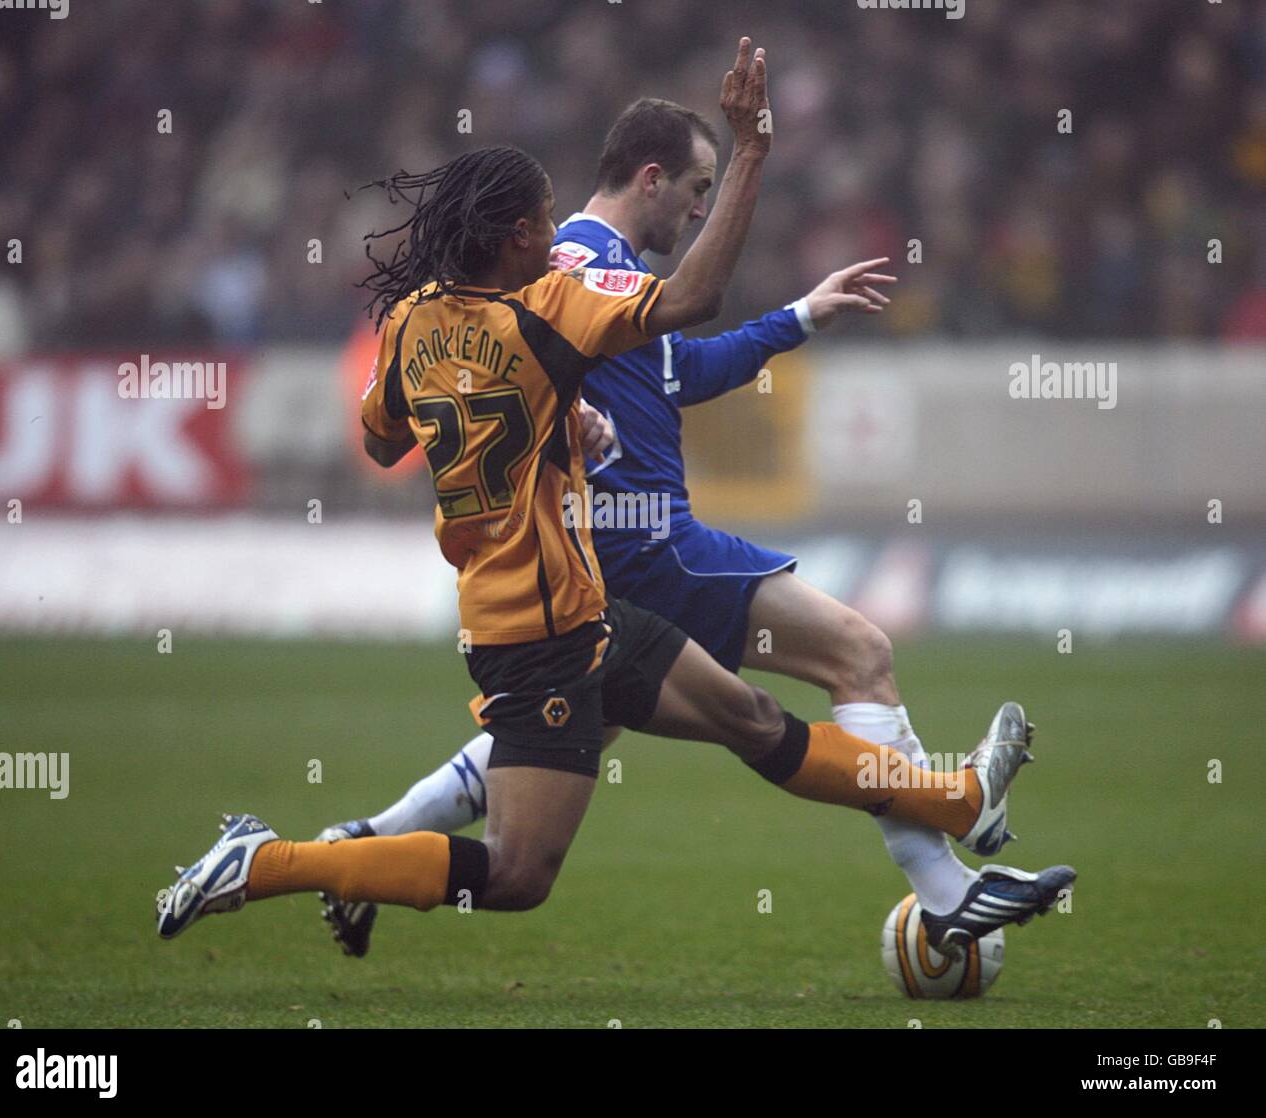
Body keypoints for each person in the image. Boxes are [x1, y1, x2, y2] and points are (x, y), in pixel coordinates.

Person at [157, 40, 1050, 949]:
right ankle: (272, 863)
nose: (558, 240)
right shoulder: (550, 304)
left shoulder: (415, 320)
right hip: (555, 611)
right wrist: (752, 154)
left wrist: (544, 423)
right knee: (518, 869)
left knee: (744, 720)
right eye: (544, 226)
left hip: (547, 611)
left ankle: (956, 820)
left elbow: (383, 435)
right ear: (516, 238)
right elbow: (690, 301)